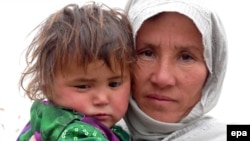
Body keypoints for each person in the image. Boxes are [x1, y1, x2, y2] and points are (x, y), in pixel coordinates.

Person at [17, 2, 135, 141]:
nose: (102, 99)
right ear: (47, 85)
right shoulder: (77, 133)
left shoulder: (46, 117)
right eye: (83, 86)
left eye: (114, 84)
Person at [120, 0, 228, 140]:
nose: (162, 79)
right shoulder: (91, 130)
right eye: (147, 53)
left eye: (186, 57)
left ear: (212, 72)